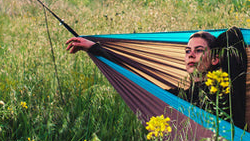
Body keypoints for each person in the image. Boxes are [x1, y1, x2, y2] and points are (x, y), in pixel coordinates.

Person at [66, 31, 221, 105]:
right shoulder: (184, 96)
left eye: (199, 50)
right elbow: (136, 79)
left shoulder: (223, 95)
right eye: (187, 51)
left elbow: (233, 36)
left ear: (215, 59)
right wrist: (95, 49)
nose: (191, 55)